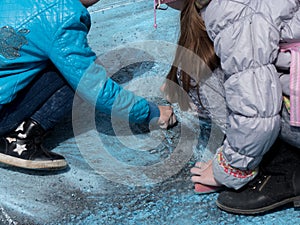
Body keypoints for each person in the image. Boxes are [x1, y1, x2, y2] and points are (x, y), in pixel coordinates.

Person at [0, 0, 176, 171]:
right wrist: (151, 112)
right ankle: (20, 139)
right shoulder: (62, 16)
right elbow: (96, 89)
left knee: (54, 58)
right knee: (77, 74)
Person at [162, 0, 300, 214]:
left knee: (199, 70)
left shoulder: (230, 9)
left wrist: (228, 168)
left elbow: (255, 109)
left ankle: (283, 167)